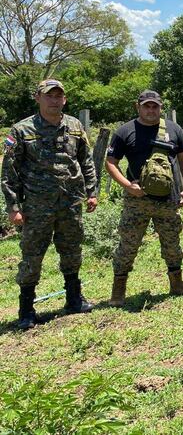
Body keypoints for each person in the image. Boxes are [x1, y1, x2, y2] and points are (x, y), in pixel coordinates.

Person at [1, 79, 97, 329]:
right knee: (32, 256)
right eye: (49, 96)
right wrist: (13, 207)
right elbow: (8, 172)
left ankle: (74, 299)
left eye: (59, 96)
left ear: (64, 99)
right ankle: (26, 311)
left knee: (72, 249)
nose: (55, 100)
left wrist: (92, 191)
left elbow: (85, 160)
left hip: (70, 202)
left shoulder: (75, 126)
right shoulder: (22, 130)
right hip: (36, 205)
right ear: (38, 98)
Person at [105, 90, 183, 306]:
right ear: (138, 107)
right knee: (128, 244)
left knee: (172, 243)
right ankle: (118, 292)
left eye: (155, 106)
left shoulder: (174, 129)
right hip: (137, 200)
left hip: (168, 198)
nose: (151, 110)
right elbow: (110, 162)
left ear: (161, 107)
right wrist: (128, 186)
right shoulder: (125, 132)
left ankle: (177, 284)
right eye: (147, 106)